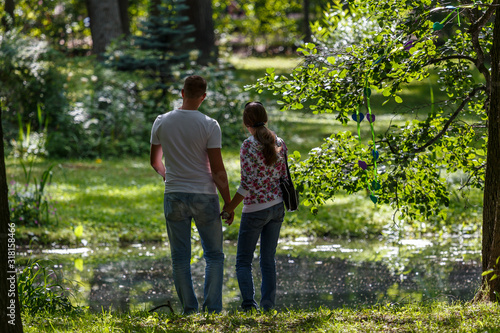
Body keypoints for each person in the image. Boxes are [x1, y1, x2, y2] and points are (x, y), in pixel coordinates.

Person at [149, 75, 234, 314]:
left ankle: (189, 310)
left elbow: (155, 162)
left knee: (180, 258)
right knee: (215, 255)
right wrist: (228, 202)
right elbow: (217, 170)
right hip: (204, 195)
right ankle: (213, 309)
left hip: (174, 194)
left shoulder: (161, 121)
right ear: (203, 97)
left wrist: (170, 178)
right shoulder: (209, 124)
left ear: (182, 93)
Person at [221, 102, 287, 312]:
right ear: (265, 118)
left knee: (243, 261)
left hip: (255, 210)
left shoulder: (248, 145)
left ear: (246, 122)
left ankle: (249, 306)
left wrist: (229, 208)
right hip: (277, 207)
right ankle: (268, 307)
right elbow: (283, 177)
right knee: (268, 260)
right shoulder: (279, 141)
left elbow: (246, 185)